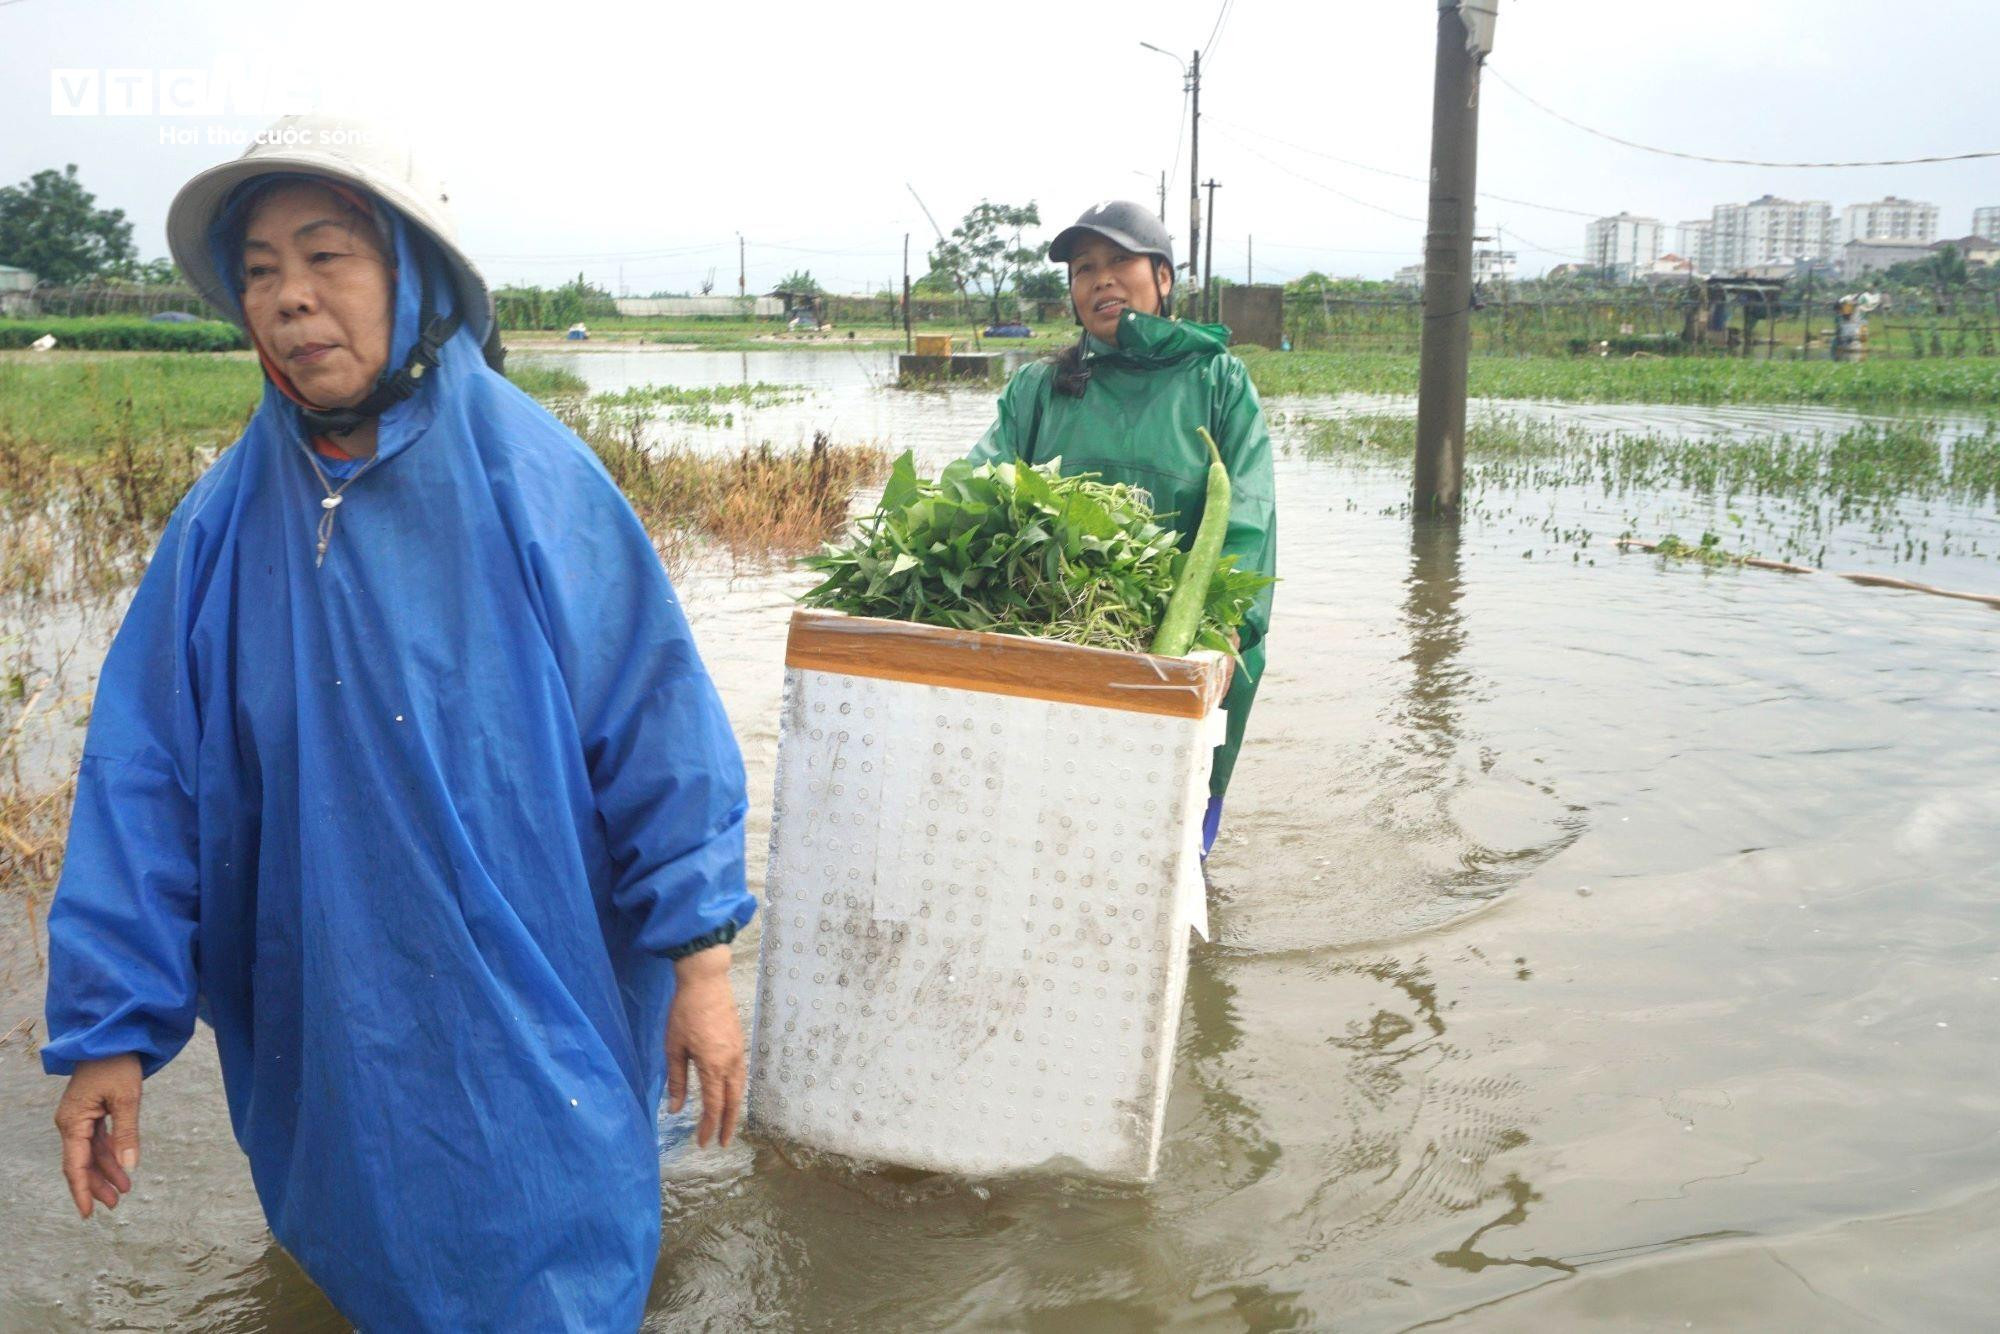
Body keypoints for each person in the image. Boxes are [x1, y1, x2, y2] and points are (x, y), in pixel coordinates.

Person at [41, 115, 755, 1331]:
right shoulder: (221, 523)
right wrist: (110, 1031)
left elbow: (654, 723)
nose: (291, 298)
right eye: (260, 270)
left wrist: (702, 959)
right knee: (356, 1247)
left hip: (533, 995)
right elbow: (143, 779)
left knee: (555, 1251)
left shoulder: (536, 480)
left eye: (328, 257)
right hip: (332, 1009)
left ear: (411, 275)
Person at [968, 201, 1276, 853]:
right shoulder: (1038, 390)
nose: (1100, 279)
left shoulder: (1219, 382)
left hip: (1185, 654)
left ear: (1163, 278)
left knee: (1169, 852)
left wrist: (1222, 638)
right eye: (1084, 268)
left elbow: (1248, 517)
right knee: (1048, 843)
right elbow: (976, 487)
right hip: (1063, 650)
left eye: (1118, 261)